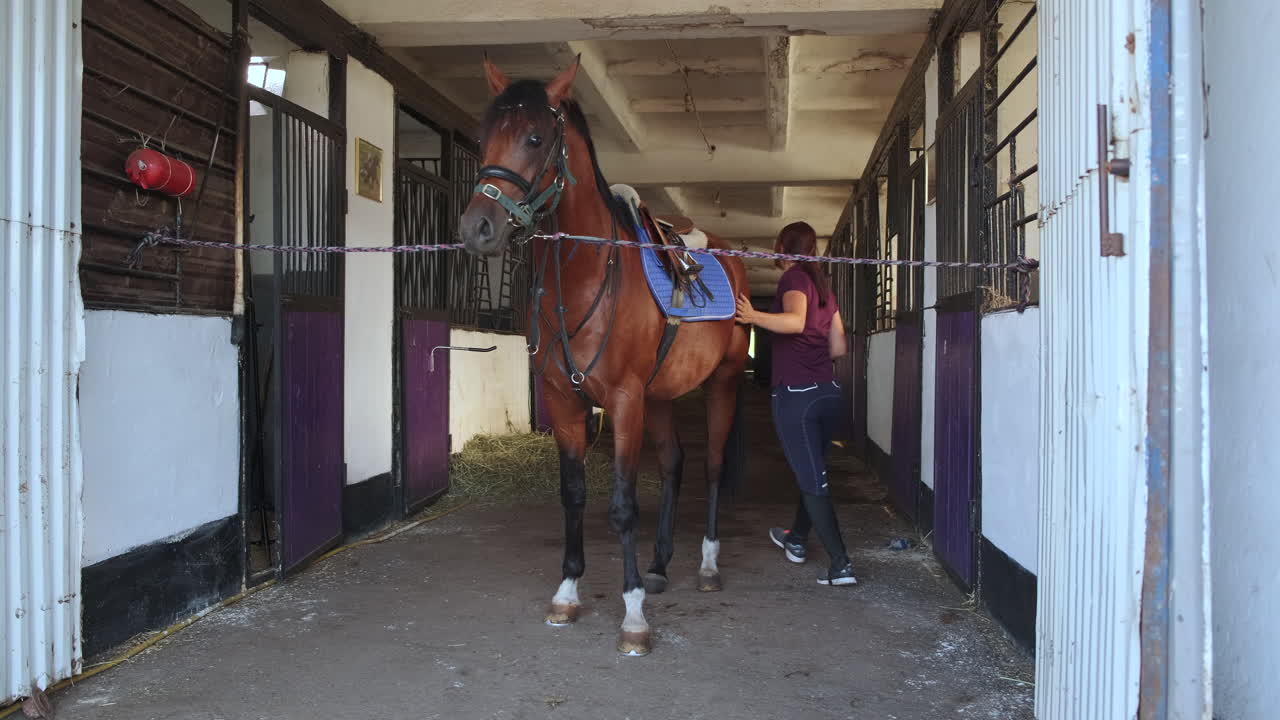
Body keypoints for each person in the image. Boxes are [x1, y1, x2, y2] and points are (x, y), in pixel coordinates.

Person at [734, 221, 856, 586]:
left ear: (781, 246)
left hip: (797, 396)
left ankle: (841, 565)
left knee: (812, 479)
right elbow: (839, 347)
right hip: (827, 392)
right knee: (813, 471)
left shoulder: (793, 279)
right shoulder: (824, 289)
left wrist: (754, 317)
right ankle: (797, 540)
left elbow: (795, 322)